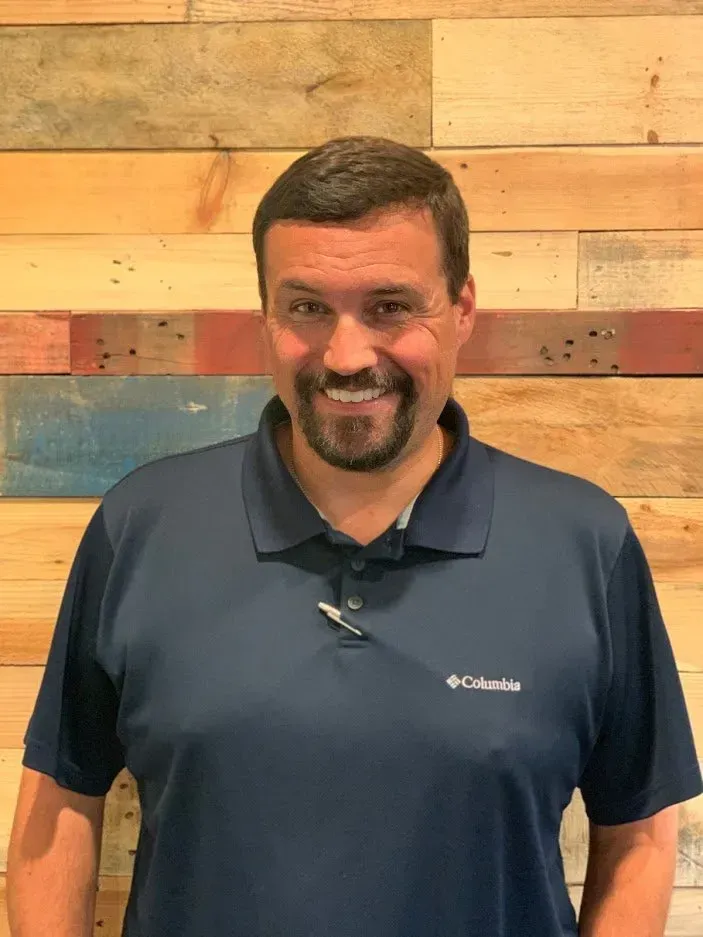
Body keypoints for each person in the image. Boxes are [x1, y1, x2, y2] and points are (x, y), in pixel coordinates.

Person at [7, 136, 702, 937]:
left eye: (390, 306)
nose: (345, 355)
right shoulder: (144, 524)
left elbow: (638, 829)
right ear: (266, 316)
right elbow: (59, 798)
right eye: (307, 308)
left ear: (462, 309)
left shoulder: (582, 542)